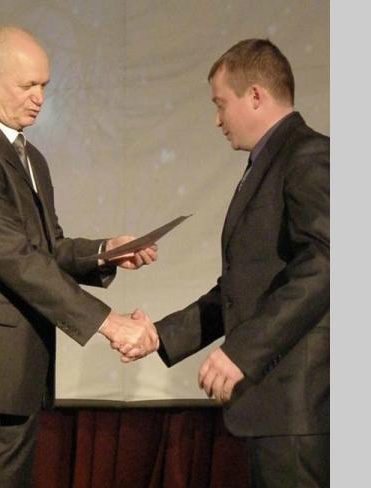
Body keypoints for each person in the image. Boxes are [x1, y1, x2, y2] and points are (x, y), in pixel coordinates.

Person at [127, 39, 329, 487]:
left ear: (255, 95)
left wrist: (242, 351)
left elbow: (327, 264)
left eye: (220, 104)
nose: (216, 120)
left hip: (298, 409)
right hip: (274, 408)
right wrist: (160, 335)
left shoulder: (307, 155)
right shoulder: (268, 162)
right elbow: (243, 289)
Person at [0, 25, 158, 488]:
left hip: (21, 373)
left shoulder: (32, 158)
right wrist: (109, 322)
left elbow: (47, 248)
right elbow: (12, 256)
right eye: (27, 85)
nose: (38, 98)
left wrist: (105, 252)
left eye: (44, 85)